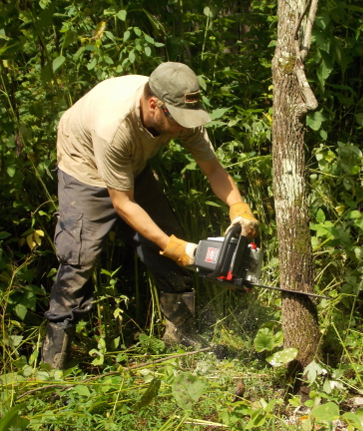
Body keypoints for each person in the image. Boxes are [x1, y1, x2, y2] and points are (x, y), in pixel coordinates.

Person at [42, 62, 259, 369]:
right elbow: (123, 204)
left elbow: (212, 168)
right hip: (85, 167)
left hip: (131, 165)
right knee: (79, 259)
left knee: (168, 243)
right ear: (155, 106)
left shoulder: (181, 108)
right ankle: (52, 368)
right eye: (180, 121)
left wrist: (239, 209)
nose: (186, 126)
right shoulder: (113, 126)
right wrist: (179, 250)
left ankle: (182, 341)